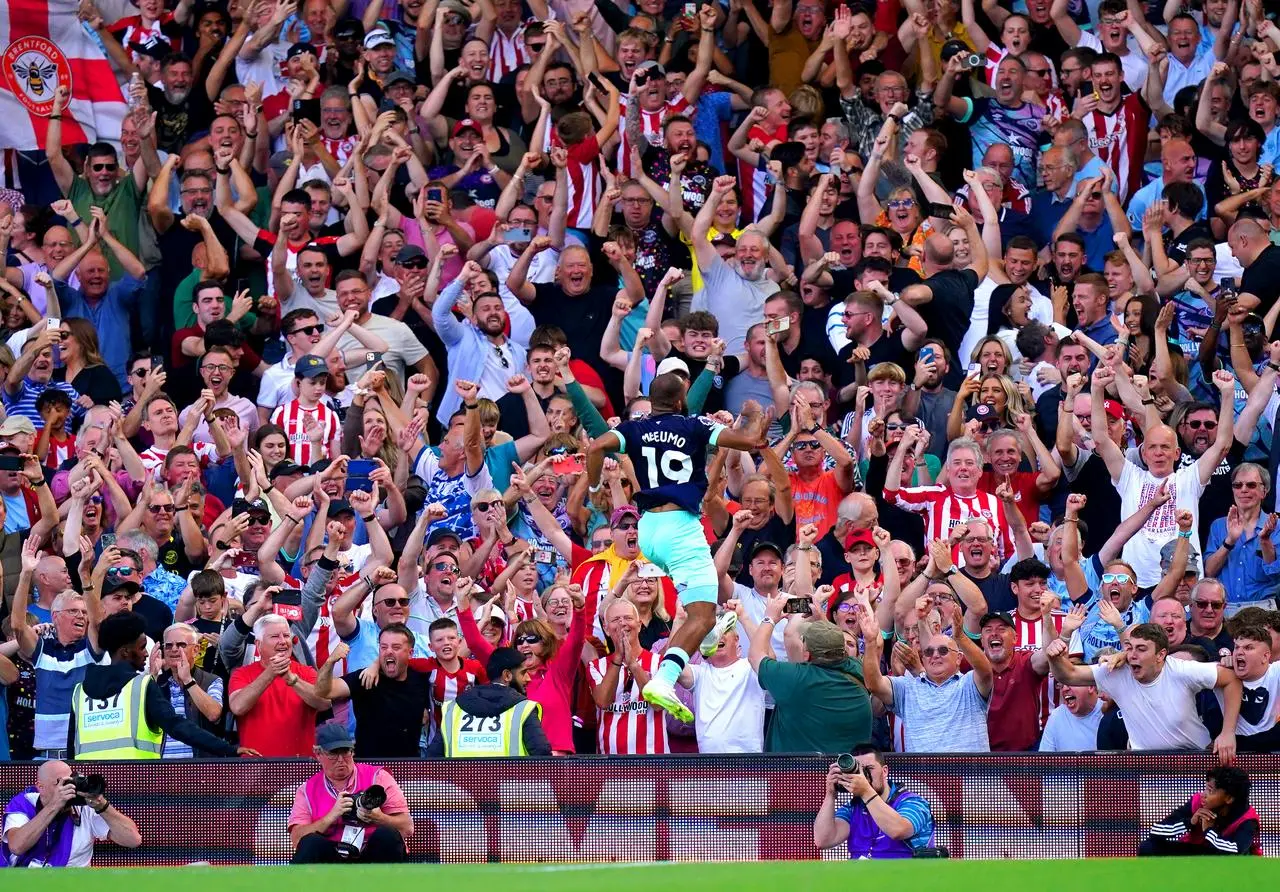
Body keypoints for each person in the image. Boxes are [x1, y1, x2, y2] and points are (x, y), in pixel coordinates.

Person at [585, 374, 769, 721]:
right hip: (681, 528)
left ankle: (710, 638)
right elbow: (749, 441)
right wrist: (753, 414)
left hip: (649, 530)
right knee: (701, 613)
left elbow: (594, 447)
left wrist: (595, 482)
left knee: (701, 604)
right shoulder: (695, 424)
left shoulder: (633, 427)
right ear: (682, 399)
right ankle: (665, 680)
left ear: (652, 401)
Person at [1046, 623, 1241, 762]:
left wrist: (1228, 732)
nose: (1132, 655)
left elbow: (1231, 679)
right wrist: (1054, 657)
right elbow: (1068, 675)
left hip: (1193, 761)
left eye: (1141, 649)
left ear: (1161, 655)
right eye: (1130, 648)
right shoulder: (1117, 672)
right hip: (1147, 768)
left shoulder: (1182, 670)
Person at [69, 613, 241, 759]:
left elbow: (72, 746)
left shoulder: (79, 691)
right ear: (125, 652)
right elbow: (177, 726)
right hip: (135, 785)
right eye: (142, 647)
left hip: (93, 788)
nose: (146, 653)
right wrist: (229, 749)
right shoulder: (142, 686)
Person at [747, 593, 873, 753]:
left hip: (799, 775)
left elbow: (755, 655)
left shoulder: (794, 677)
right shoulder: (859, 670)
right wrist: (821, 618)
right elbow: (836, 644)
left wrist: (769, 618)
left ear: (807, 654)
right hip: (847, 774)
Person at [288, 723, 414, 864]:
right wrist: (330, 817)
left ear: (353, 751)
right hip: (332, 856)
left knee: (387, 835)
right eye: (333, 753)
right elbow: (297, 839)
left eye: (345, 751)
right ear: (318, 754)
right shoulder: (307, 790)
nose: (341, 760)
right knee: (311, 843)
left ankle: (388, 884)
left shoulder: (378, 777)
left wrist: (379, 818)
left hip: (371, 852)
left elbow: (407, 827)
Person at [1, 760, 141, 867]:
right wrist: (54, 805)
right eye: (60, 783)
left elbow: (133, 840)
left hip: (73, 883)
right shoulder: (25, 802)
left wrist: (102, 806)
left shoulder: (85, 807)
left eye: (70, 781)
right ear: (40, 787)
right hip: (26, 882)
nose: (68, 788)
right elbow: (17, 846)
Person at [813, 746, 937, 859]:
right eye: (858, 770)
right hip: (861, 879)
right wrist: (830, 794)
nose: (863, 776)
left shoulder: (912, 802)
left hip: (904, 878)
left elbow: (898, 830)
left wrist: (866, 791)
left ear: (884, 771)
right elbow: (823, 840)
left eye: (869, 769)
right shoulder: (853, 808)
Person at [428, 646, 551, 756]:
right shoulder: (523, 709)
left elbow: (433, 758)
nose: (528, 678)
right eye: (523, 673)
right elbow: (541, 755)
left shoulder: (453, 709)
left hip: (463, 781)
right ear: (507, 675)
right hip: (510, 780)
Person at [1140, 766, 1260, 856]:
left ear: (1228, 798)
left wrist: (1208, 831)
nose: (1203, 794)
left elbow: (1237, 850)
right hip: (1196, 851)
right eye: (1205, 788)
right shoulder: (1198, 802)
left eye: (1210, 790)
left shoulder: (1247, 819)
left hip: (1222, 860)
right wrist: (1190, 823)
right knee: (1148, 847)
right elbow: (1156, 830)